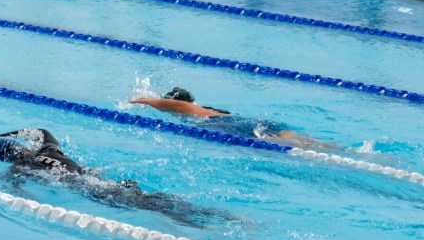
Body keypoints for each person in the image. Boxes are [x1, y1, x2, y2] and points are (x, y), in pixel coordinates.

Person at [0, 127, 233, 228]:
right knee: (151, 199)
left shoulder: (20, 169)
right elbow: (42, 131)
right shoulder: (47, 150)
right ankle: (217, 217)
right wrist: (6, 133)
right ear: (20, 147)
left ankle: (197, 224)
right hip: (99, 183)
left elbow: (15, 192)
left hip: (92, 190)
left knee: (150, 206)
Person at [130, 87, 329, 149]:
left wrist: (146, 101)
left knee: (288, 143)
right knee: (305, 141)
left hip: (242, 130)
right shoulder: (215, 110)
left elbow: (178, 105)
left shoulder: (193, 110)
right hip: (251, 124)